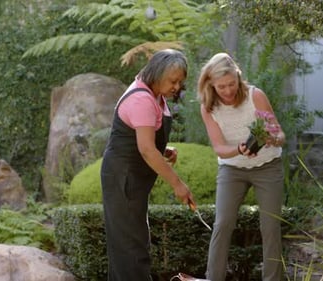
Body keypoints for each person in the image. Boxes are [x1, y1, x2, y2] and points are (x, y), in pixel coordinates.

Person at [101, 49, 195, 281]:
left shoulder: (154, 94)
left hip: (131, 179)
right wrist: (178, 184)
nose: (177, 87)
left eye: (180, 82)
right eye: (173, 81)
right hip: (123, 178)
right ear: (157, 73)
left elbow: (144, 137)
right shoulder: (141, 99)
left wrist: (164, 149)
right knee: (131, 249)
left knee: (132, 243)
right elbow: (145, 148)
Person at [197, 52, 286, 281]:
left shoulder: (256, 96)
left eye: (231, 84)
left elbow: (278, 131)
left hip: (267, 166)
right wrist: (240, 149)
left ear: (238, 77)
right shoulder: (208, 108)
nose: (227, 91)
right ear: (211, 85)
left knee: (270, 227)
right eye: (221, 87)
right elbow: (219, 147)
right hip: (232, 169)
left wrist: (272, 138)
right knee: (223, 223)